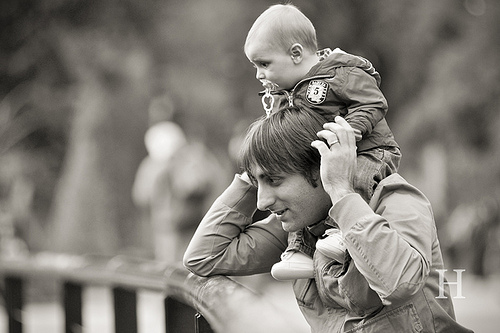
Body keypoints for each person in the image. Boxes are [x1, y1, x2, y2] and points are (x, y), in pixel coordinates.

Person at [183, 106, 473, 332]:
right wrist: (252, 171)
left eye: (274, 180)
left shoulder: (397, 201)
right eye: (258, 184)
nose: (262, 202)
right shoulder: (298, 230)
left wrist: (341, 191)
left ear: (322, 167)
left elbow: (400, 283)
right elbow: (204, 257)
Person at [244, 3, 401, 280]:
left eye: (264, 64)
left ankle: (344, 233)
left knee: (356, 180)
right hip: (327, 156)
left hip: (369, 151)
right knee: (301, 193)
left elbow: (374, 102)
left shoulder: (337, 73)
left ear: (295, 53)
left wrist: (348, 133)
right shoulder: (285, 94)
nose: (259, 74)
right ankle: (299, 250)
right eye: (255, 66)